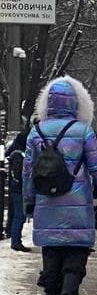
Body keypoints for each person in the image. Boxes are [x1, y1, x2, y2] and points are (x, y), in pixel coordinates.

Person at [22, 76, 97, 295]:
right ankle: (71, 287)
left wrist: (28, 198)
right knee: (77, 249)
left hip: (47, 203)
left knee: (51, 255)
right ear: (75, 104)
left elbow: (27, 169)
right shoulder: (83, 131)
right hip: (77, 204)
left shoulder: (37, 131)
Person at [5, 99, 34, 251]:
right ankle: (16, 241)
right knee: (19, 215)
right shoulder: (19, 155)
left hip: (16, 188)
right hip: (20, 188)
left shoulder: (15, 152)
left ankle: (14, 237)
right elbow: (19, 174)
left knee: (17, 214)